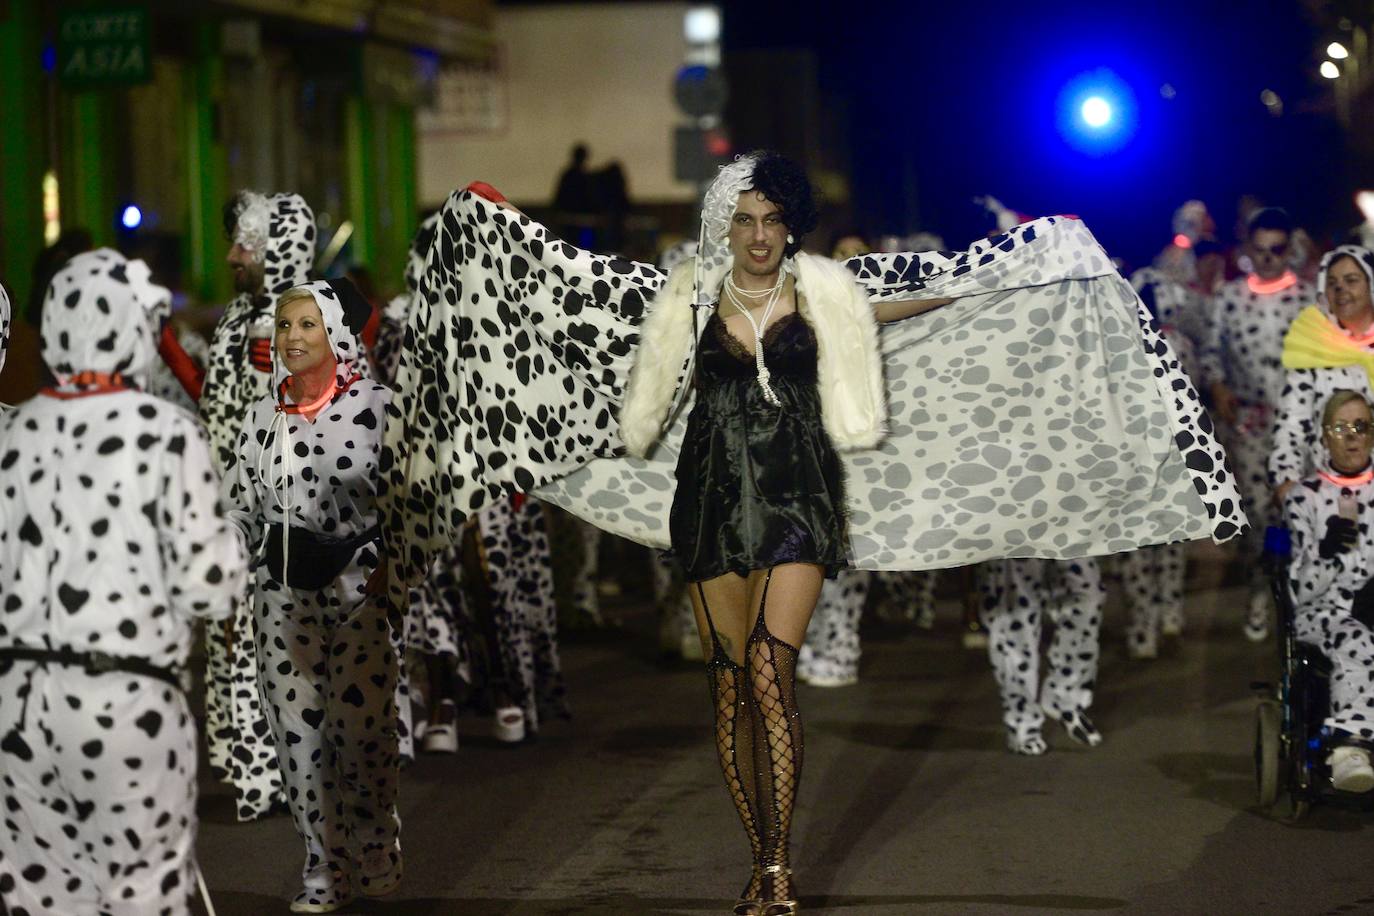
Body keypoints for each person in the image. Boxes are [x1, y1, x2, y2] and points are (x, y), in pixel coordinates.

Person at [379, 160, 1244, 914]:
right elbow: (582, 305)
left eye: (773, 221)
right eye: (745, 221)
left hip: (798, 498)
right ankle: (757, 855)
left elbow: (931, 297)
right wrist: (493, 235)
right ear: (729, 228)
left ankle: (780, 865)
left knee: (768, 664)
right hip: (711, 502)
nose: (759, 236)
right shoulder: (681, 297)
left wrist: (1030, 264)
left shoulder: (827, 293)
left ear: (791, 227)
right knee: (728, 691)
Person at [0, 250, 247, 915]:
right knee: (141, 888)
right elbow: (211, 587)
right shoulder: (164, 435)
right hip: (127, 702)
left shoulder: (13, 436)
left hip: (19, 703)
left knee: (44, 895)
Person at [223, 279, 401, 912]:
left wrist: (398, 566)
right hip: (281, 597)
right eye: (284, 325)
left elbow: (416, 501)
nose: (291, 338)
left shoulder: (379, 406)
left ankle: (376, 837)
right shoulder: (259, 417)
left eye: (306, 325)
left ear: (334, 333)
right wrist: (222, 564)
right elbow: (240, 510)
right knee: (299, 742)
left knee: (361, 734)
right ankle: (323, 867)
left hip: (359, 591)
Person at [202, 190, 318, 821]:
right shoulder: (243, 319)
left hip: (267, 521)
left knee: (260, 645)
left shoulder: (283, 326)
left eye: (243, 246)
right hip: (237, 516)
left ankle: (268, 775)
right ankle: (265, 771)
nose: (231, 258)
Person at [1200, 207, 1315, 641]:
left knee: (1296, 508)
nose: (1268, 258)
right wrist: (1220, 386)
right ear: (1248, 248)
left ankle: (1296, 596)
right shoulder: (1229, 297)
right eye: (1261, 249)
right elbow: (1212, 350)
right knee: (1254, 512)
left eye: (1277, 250)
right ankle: (1258, 589)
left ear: (1289, 250)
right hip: (1248, 422)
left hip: (1296, 421)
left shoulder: (1306, 298)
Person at [1284, 389, 1374, 792]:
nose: (1352, 437)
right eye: (1341, 428)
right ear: (1324, 437)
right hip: (1324, 612)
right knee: (1356, 638)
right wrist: (1325, 554)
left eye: (1361, 426)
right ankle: (1348, 746)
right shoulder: (1304, 498)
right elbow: (1296, 591)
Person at [1272, 245, 1374, 501]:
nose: (1341, 290)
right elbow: (1292, 423)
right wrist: (1287, 479)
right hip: (1329, 497)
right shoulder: (1314, 345)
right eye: (1332, 283)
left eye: (1351, 280)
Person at [979, 559, 1105, 753]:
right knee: (1016, 611)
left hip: (1065, 530)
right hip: (1013, 535)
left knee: (1088, 596)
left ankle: (1063, 692)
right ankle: (1022, 717)